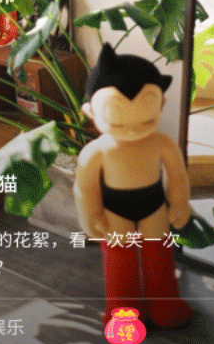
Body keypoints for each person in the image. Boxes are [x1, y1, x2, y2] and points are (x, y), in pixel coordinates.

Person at [74, 43, 193, 328]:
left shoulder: (162, 143)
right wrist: (90, 215)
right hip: (116, 210)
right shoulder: (97, 150)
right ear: (90, 111)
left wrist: (179, 201)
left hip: (154, 205)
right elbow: (85, 188)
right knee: (119, 261)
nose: (132, 127)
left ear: (161, 104)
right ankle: (123, 313)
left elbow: (177, 175)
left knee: (159, 256)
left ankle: (165, 306)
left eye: (146, 117)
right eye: (117, 120)